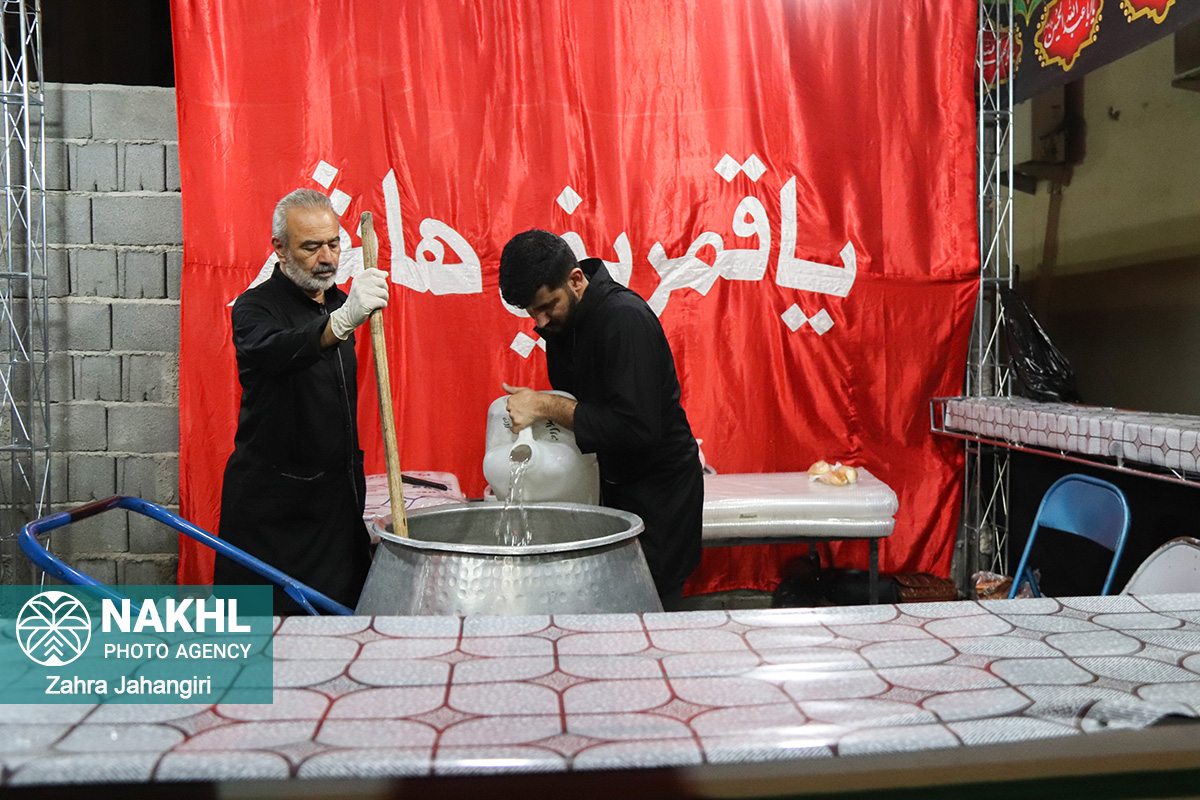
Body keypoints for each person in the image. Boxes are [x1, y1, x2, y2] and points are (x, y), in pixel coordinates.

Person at [499, 230, 703, 610]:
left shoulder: (624, 319)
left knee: (650, 615)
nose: (540, 321)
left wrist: (545, 406)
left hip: (660, 499)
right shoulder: (564, 325)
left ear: (576, 280)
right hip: (615, 489)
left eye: (547, 306)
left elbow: (637, 428)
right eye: (530, 311)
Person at [214, 188, 389, 614]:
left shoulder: (340, 304)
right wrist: (340, 324)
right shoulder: (255, 309)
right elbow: (281, 351)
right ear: (280, 248)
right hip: (275, 516)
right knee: (271, 634)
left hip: (335, 508)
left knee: (341, 627)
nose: (327, 258)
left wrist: (342, 316)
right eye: (311, 248)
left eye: (334, 244)